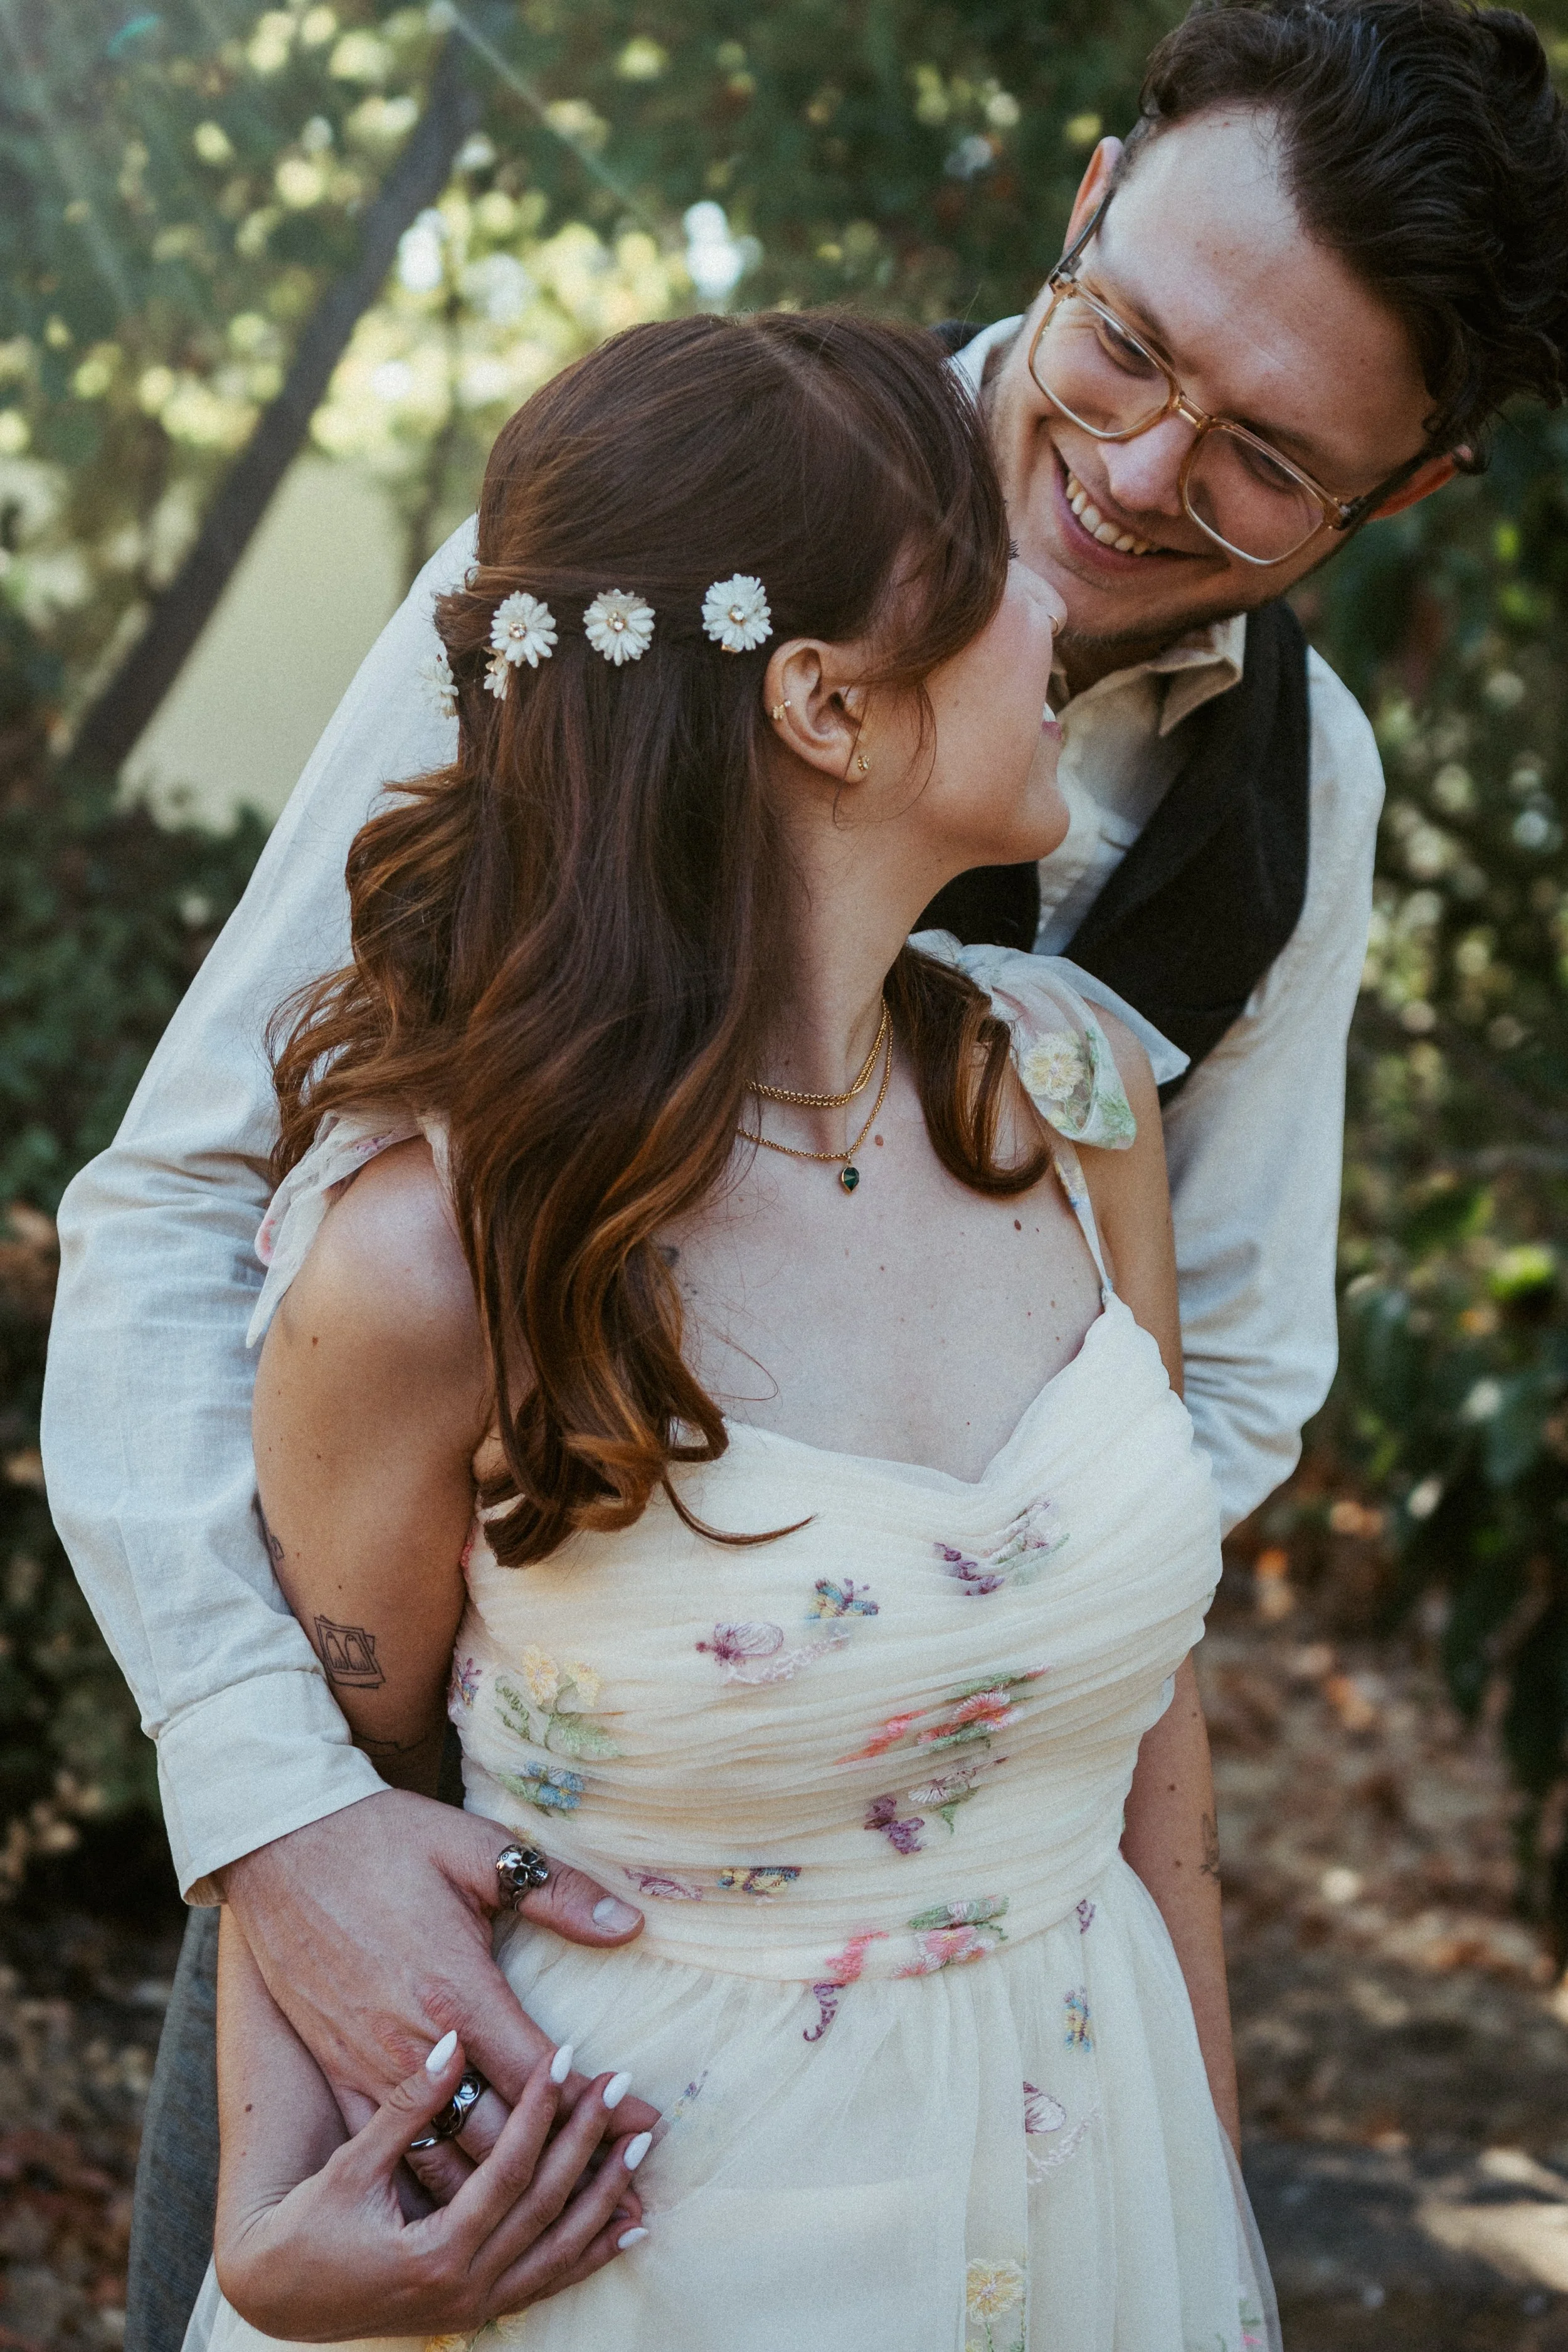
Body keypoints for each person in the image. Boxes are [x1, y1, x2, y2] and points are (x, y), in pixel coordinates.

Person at [38, 0, 1568, 2344]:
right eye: (1125, 346)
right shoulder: (634, 563)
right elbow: (184, 1202)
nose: (1139, 476)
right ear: (1081, 204)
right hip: (420, 1793)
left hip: (973, 1919)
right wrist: (281, 1806)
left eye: (1265, 458)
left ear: (1413, 487)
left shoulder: (1294, 798)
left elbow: (1225, 1370)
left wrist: (919, 1620)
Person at [203, 301, 1276, 2349]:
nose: (1055, 606)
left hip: (1088, 2183)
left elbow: (1162, 1742)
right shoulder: (436, 1259)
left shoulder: (1074, 1105)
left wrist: (1203, 2214)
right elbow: (335, 1780)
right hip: (640, 2248)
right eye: (987, 571)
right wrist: (266, 2215)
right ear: (822, 704)